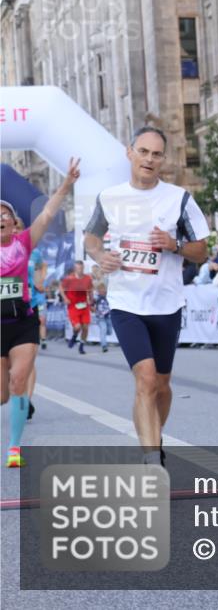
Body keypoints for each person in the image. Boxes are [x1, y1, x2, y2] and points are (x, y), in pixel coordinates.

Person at [84, 127, 210, 466]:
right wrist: (100, 257)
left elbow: (202, 251)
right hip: (126, 302)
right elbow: (91, 239)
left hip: (167, 303)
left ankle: (152, 437)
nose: (149, 159)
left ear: (163, 159)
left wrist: (174, 245)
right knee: (146, 377)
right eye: (144, 152)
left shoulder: (179, 199)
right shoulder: (109, 197)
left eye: (156, 154)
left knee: (163, 386)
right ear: (130, 153)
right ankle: (152, 460)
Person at [1, 159, 80, 467]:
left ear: (12, 221)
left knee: (19, 380)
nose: (1, 218)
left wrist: (66, 184)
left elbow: (47, 213)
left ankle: (14, 448)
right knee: (2, 395)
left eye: (5, 214)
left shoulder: (24, 242)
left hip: (23, 322)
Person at [59, 260, 93, 354]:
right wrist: (65, 298)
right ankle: (74, 337)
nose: (80, 270)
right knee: (77, 327)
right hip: (73, 306)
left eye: (81, 268)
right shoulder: (69, 279)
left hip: (84, 305)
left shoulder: (87, 278)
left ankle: (81, 346)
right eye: (78, 268)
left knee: (85, 327)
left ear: (83, 268)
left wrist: (92, 302)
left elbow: (90, 290)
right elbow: (61, 288)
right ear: (75, 269)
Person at [28, 249, 47, 351]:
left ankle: (43, 340)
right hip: (14, 302)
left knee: (41, 320)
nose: (15, 231)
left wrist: (40, 280)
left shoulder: (35, 252)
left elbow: (43, 265)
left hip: (36, 300)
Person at [92, 283, 112, 352]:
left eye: (103, 289)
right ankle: (104, 346)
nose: (102, 291)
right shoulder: (96, 297)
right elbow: (91, 304)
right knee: (103, 330)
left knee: (109, 332)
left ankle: (103, 336)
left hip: (108, 316)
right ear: (98, 290)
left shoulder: (108, 296)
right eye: (101, 289)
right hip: (100, 317)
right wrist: (92, 308)